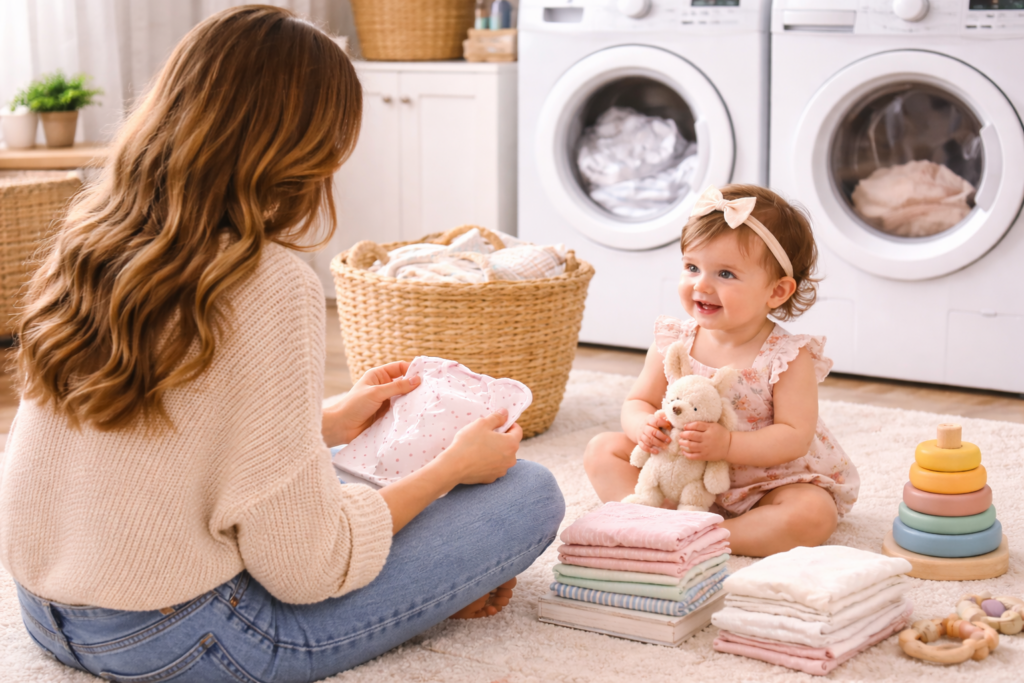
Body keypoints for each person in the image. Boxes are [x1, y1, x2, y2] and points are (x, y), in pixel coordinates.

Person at [0, 7, 563, 681]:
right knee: (529, 490)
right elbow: (306, 565)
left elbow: (151, 432)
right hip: (180, 640)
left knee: (334, 460)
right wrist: (447, 471)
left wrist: (319, 422)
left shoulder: (89, 238)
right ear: (303, 147)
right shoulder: (268, 282)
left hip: (47, 610)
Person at [584, 184, 859, 557]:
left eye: (725, 274)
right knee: (602, 450)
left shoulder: (787, 357)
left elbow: (794, 436)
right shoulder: (674, 341)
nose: (701, 284)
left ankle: (713, 536)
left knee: (813, 514)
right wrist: (644, 428)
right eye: (692, 267)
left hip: (766, 484)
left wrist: (728, 445)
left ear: (777, 292)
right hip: (682, 476)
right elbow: (638, 401)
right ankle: (659, 519)